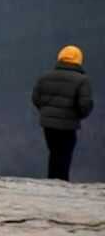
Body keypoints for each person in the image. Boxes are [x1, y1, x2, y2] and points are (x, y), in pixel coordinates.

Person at [32, 45, 94, 181]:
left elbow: (36, 99)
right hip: (68, 125)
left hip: (48, 124)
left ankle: (51, 181)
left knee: (54, 153)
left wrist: (46, 112)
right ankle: (62, 184)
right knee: (64, 155)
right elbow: (85, 105)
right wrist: (78, 116)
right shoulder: (82, 80)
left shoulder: (45, 77)